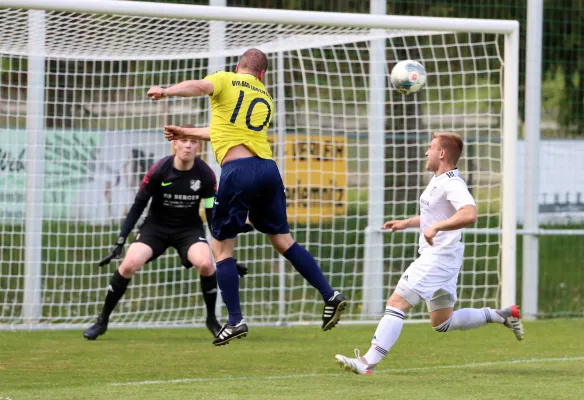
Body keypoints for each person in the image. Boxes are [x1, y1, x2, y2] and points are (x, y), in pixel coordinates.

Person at [147, 48, 346, 346]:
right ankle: (330, 294)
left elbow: (200, 87)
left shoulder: (225, 79)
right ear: (261, 74)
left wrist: (166, 91)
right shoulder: (264, 96)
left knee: (221, 248)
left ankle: (234, 319)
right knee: (283, 240)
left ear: (237, 66)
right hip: (268, 169)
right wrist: (185, 132)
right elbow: (225, 130)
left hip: (238, 171)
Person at [334, 132, 524, 375]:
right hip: (447, 259)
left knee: (396, 303)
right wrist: (407, 222)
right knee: (442, 322)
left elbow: (469, 213)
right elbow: (435, 216)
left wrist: (436, 227)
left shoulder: (453, 183)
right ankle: (500, 315)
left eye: (431, 147)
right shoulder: (439, 180)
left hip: (437, 258)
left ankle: (367, 362)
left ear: (442, 153)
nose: (426, 152)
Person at [83, 136, 247, 340]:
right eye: (184, 140)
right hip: (155, 228)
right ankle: (102, 321)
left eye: (193, 142)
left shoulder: (206, 175)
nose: (188, 145)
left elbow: (212, 215)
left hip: (188, 230)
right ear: (175, 144)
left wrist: (225, 257)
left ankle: (211, 320)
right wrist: (120, 240)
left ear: (200, 146)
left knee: (206, 264)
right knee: (128, 265)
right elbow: (138, 206)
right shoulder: (159, 169)